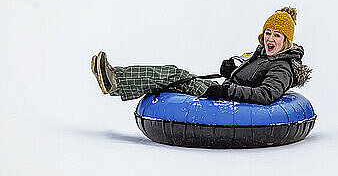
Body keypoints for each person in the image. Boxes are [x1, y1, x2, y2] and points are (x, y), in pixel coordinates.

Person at [91, 7, 312, 105]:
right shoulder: (264, 55)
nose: (270, 39)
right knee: (177, 75)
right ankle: (117, 82)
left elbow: (266, 94)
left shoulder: (282, 67)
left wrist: (227, 90)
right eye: (268, 33)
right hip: (225, 91)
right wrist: (232, 70)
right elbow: (251, 75)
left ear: (286, 41)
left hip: (230, 99)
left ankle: (116, 80)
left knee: (172, 74)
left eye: (277, 36)